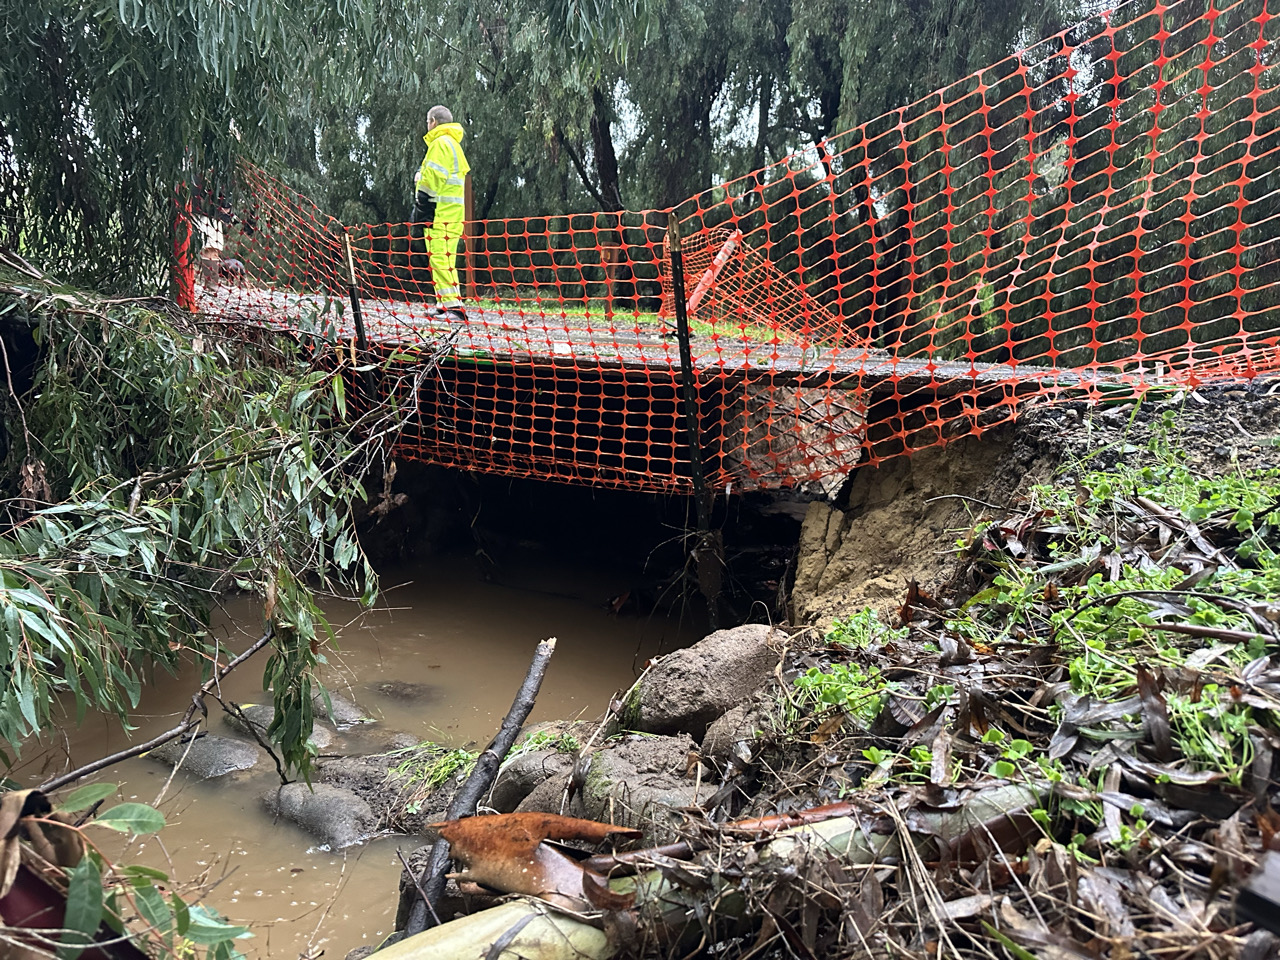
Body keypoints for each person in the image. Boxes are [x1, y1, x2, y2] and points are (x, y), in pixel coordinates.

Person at [412, 105, 471, 320]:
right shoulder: (452, 145)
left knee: (440, 258)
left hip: (440, 213)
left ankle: (454, 308)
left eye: (428, 122)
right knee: (442, 258)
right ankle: (444, 304)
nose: (427, 126)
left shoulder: (440, 143)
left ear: (433, 122)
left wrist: (421, 204)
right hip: (449, 213)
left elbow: (432, 178)